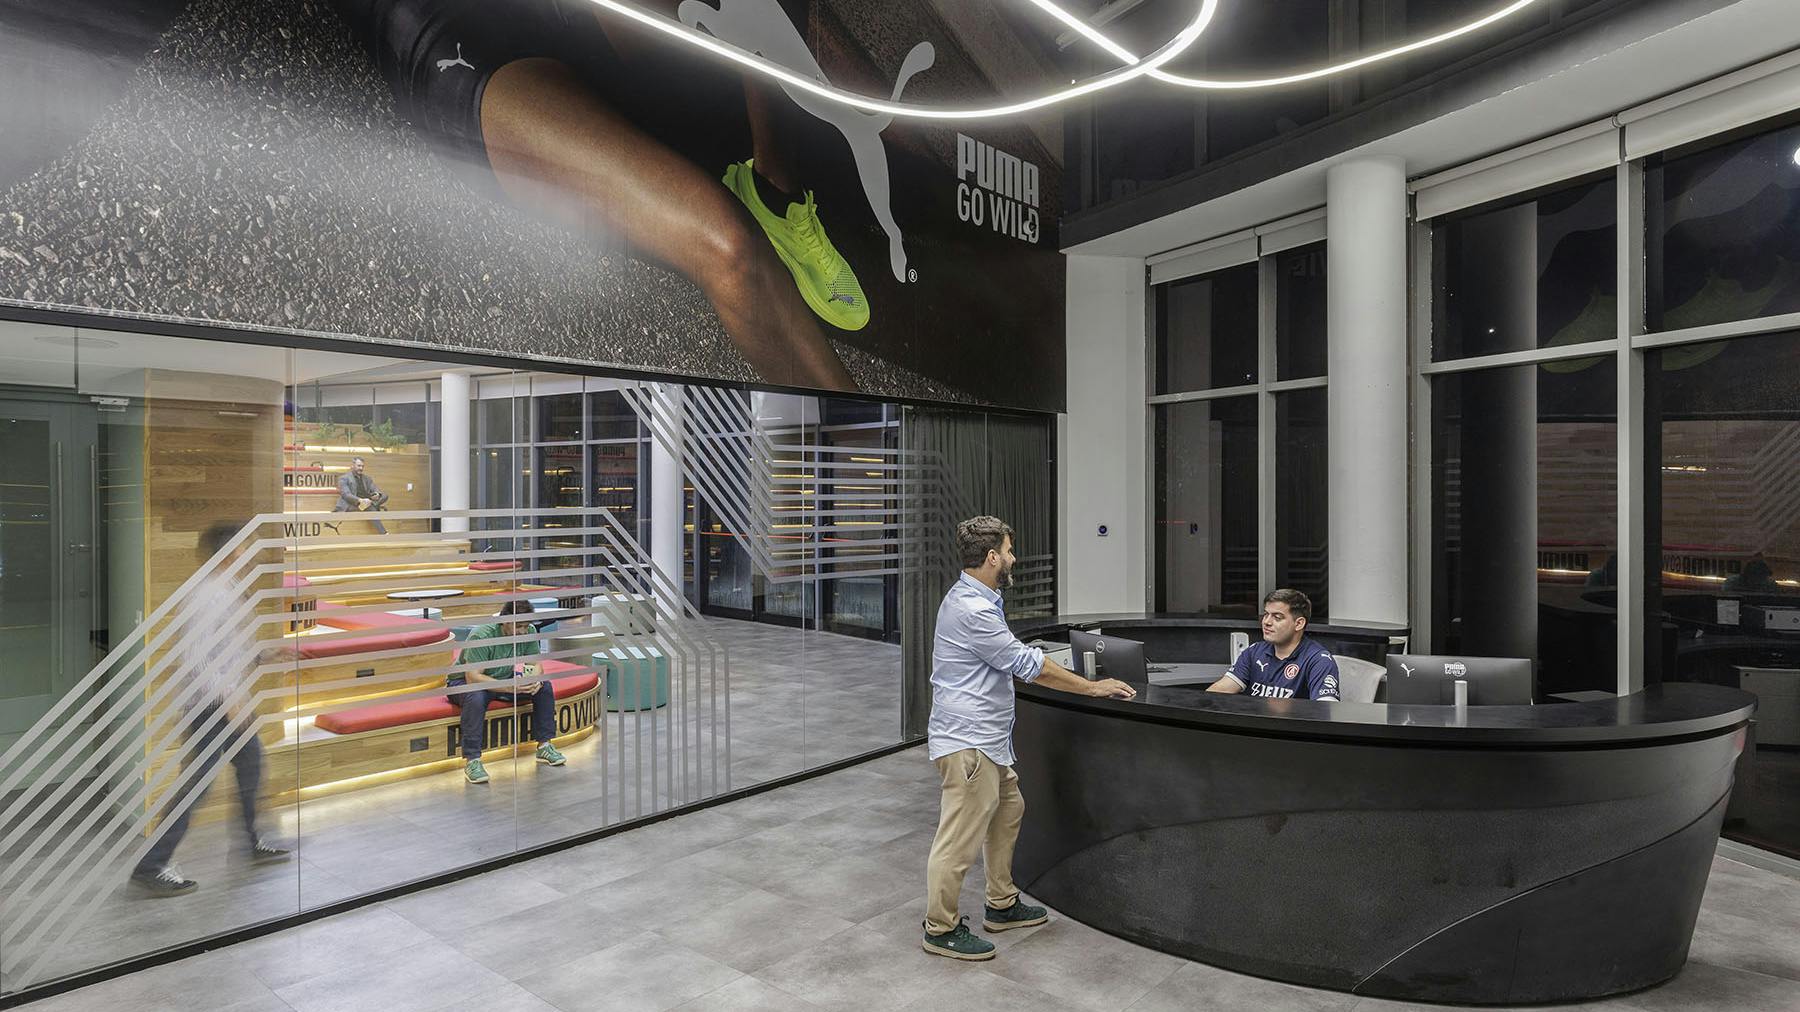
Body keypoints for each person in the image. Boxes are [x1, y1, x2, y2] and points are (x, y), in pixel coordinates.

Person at [329, 0, 858, 391]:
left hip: (560, 16)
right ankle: (882, 484)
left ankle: (772, 187)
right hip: (459, 44)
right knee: (729, 250)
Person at [922, 516, 1136, 961]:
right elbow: (1028, 665)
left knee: (1009, 809)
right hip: (969, 743)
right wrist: (1093, 685)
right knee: (958, 839)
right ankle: (939, 928)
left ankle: (1001, 903)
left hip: (988, 741)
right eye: (1009, 550)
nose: (1014, 558)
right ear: (992, 557)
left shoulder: (978, 596)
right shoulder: (973, 609)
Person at [132, 520, 291, 897]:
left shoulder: (228, 590)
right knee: (197, 786)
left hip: (220, 703)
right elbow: (197, 658)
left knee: (251, 765)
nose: (252, 554)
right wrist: (230, 701)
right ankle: (151, 865)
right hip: (210, 705)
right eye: (245, 547)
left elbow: (225, 651)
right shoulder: (210, 594)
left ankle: (252, 843)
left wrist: (264, 653)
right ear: (230, 552)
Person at [451, 599, 568, 784]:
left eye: (525, 626)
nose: (523, 631)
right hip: (464, 683)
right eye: (518, 626)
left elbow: (535, 664)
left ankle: (544, 746)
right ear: (505, 621)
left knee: (544, 687)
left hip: (502, 678)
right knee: (476, 696)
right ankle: (472, 760)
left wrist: (534, 679)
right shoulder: (482, 635)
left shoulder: (528, 631)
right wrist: (510, 686)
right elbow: (473, 678)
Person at [1208, 589, 1341, 701]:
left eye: (1277, 617)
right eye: (1266, 615)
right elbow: (1220, 690)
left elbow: (1325, 711)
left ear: (1299, 624)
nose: (1266, 622)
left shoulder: (1318, 660)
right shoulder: (1254, 652)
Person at [332, 456, 388, 535]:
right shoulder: (344, 478)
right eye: (359, 466)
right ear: (352, 465)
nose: (361, 468)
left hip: (367, 501)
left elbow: (375, 489)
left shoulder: (367, 478)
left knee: (385, 496)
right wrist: (360, 500)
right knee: (370, 508)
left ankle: (371, 504)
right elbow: (346, 495)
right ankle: (384, 533)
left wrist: (377, 494)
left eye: (362, 466)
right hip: (352, 504)